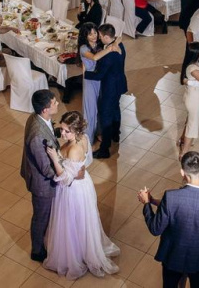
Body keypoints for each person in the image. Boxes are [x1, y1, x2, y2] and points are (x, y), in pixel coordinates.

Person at [137, 151, 199, 288]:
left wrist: (147, 203)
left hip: (173, 256)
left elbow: (155, 229)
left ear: (182, 172)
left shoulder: (171, 196)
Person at [43, 111, 120, 280]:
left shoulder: (74, 149)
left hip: (72, 190)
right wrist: (80, 169)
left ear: (76, 130)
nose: (63, 134)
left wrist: (55, 158)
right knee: (80, 220)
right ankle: (81, 248)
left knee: (71, 221)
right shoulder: (83, 137)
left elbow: (65, 179)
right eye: (62, 129)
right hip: (83, 184)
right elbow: (87, 161)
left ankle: (74, 255)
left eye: (67, 131)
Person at [21, 90, 74, 262]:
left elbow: (49, 132)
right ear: (45, 109)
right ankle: (37, 251)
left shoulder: (36, 117)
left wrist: (60, 132)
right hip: (41, 184)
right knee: (41, 217)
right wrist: (65, 175)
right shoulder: (37, 136)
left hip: (39, 175)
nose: (57, 103)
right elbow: (45, 169)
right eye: (54, 102)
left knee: (45, 215)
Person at [84, 24, 128, 159]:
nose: (99, 38)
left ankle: (104, 149)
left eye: (100, 36)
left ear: (107, 37)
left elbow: (99, 75)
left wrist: (85, 74)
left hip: (110, 88)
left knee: (105, 116)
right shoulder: (120, 45)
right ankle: (115, 134)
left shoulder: (109, 55)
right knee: (115, 108)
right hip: (119, 83)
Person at [77, 23, 121, 144]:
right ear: (85, 36)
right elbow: (95, 58)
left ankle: (99, 132)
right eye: (90, 34)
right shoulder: (83, 48)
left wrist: (115, 42)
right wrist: (110, 48)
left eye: (95, 33)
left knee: (100, 108)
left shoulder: (99, 44)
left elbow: (119, 37)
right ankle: (88, 138)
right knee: (90, 110)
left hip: (100, 79)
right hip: (90, 81)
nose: (94, 36)